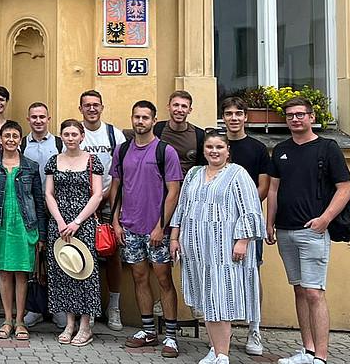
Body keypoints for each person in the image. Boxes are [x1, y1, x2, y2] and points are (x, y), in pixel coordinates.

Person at [267, 97, 350, 364]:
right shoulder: (281, 149)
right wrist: (269, 222)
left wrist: (325, 219)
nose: (295, 119)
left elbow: (345, 188)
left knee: (315, 292)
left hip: (313, 231)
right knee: (300, 290)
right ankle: (307, 350)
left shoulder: (328, 148)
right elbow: (273, 189)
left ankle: (321, 357)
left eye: (300, 114)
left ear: (311, 117)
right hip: (285, 230)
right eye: (290, 115)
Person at [170, 130, 265, 364]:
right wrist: (174, 236)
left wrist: (243, 241)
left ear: (227, 150)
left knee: (221, 298)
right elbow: (182, 207)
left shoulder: (237, 174)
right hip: (196, 248)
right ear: (204, 150)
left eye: (219, 147)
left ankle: (223, 354)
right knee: (206, 298)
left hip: (224, 249)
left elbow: (250, 209)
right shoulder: (193, 174)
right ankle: (214, 348)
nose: (214, 151)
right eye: (210, 147)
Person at [111, 100, 184, 358]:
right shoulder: (121, 150)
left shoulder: (166, 151)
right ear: (132, 119)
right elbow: (116, 188)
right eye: (136, 117)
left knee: (164, 280)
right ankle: (148, 331)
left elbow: (174, 192)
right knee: (139, 278)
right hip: (129, 228)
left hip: (157, 231)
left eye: (145, 117)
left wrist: (160, 226)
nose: (140, 121)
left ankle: (172, 336)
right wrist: (116, 221)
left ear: (154, 121)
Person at [0, 120, 47, 342]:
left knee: (22, 274)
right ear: (1, 139)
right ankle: (7, 319)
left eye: (14, 136)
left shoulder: (30, 166)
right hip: (0, 224)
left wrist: (42, 234)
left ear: (20, 140)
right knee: (4, 273)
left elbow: (38, 200)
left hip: (24, 225)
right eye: (6, 136)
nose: (10, 140)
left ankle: (21, 321)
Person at [45, 120, 104, 346]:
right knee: (65, 271)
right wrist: (60, 221)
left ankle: (86, 326)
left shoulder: (92, 161)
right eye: (66, 134)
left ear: (82, 137)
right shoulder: (54, 161)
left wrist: (77, 221)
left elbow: (97, 195)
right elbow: (49, 194)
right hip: (60, 225)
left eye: (74, 134)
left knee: (85, 273)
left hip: (83, 223)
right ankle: (70, 323)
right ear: (61, 137)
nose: (70, 138)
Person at [221, 96, 272, 356]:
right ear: (223, 117)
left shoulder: (257, 148)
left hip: (249, 222)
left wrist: (245, 210)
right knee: (222, 276)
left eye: (238, 113)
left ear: (246, 117)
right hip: (220, 224)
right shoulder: (216, 145)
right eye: (228, 113)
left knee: (252, 274)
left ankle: (254, 330)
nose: (233, 118)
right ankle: (223, 333)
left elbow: (263, 186)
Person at [77, 89, 125, 330]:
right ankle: (90, 306)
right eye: (87, 105)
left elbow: (121, 172)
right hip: (82, 204)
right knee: (86, 257)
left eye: (96, 105)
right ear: (80, 109)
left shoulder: (114, 135)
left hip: (109, 201)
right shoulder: (76, 134)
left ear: (102, 107)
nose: (92, 109)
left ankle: (113, 306)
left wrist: (103, 198)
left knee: (112, 254)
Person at [20, 101, 61, 329]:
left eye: (42, 117)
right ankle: (34, 308)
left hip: (56, 208)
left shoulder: (59, 143)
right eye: (33, 117)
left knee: (56, 259)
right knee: (33, 260)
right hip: (30, 208)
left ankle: (57, 308)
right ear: (28, 119)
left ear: (48, 119)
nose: (38, 121)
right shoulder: (22, 144)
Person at [154, 90, 204, 176]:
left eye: (184, 106)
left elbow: (202, 167)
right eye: (176, 105)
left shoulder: (199, 135)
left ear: (189, 110)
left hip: (188, 185)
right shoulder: (157, 129)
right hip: (161, 185)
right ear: (168, 107)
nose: (179, 110)